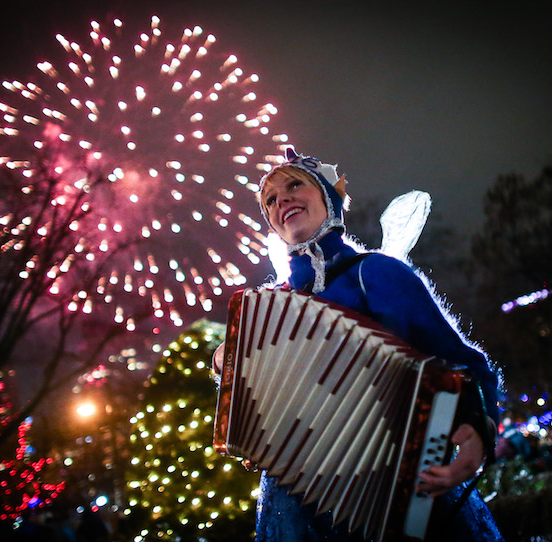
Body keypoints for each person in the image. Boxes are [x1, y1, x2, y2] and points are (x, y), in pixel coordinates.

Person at [213, 148, 503, 541]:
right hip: (298, 506)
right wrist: (228, 366)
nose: (281, 200)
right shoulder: (265, 310)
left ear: (330, 200)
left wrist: (475, 425)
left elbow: (460, 362)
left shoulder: (376, 273)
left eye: (295, 185)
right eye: (270, 200)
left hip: (397, 486)